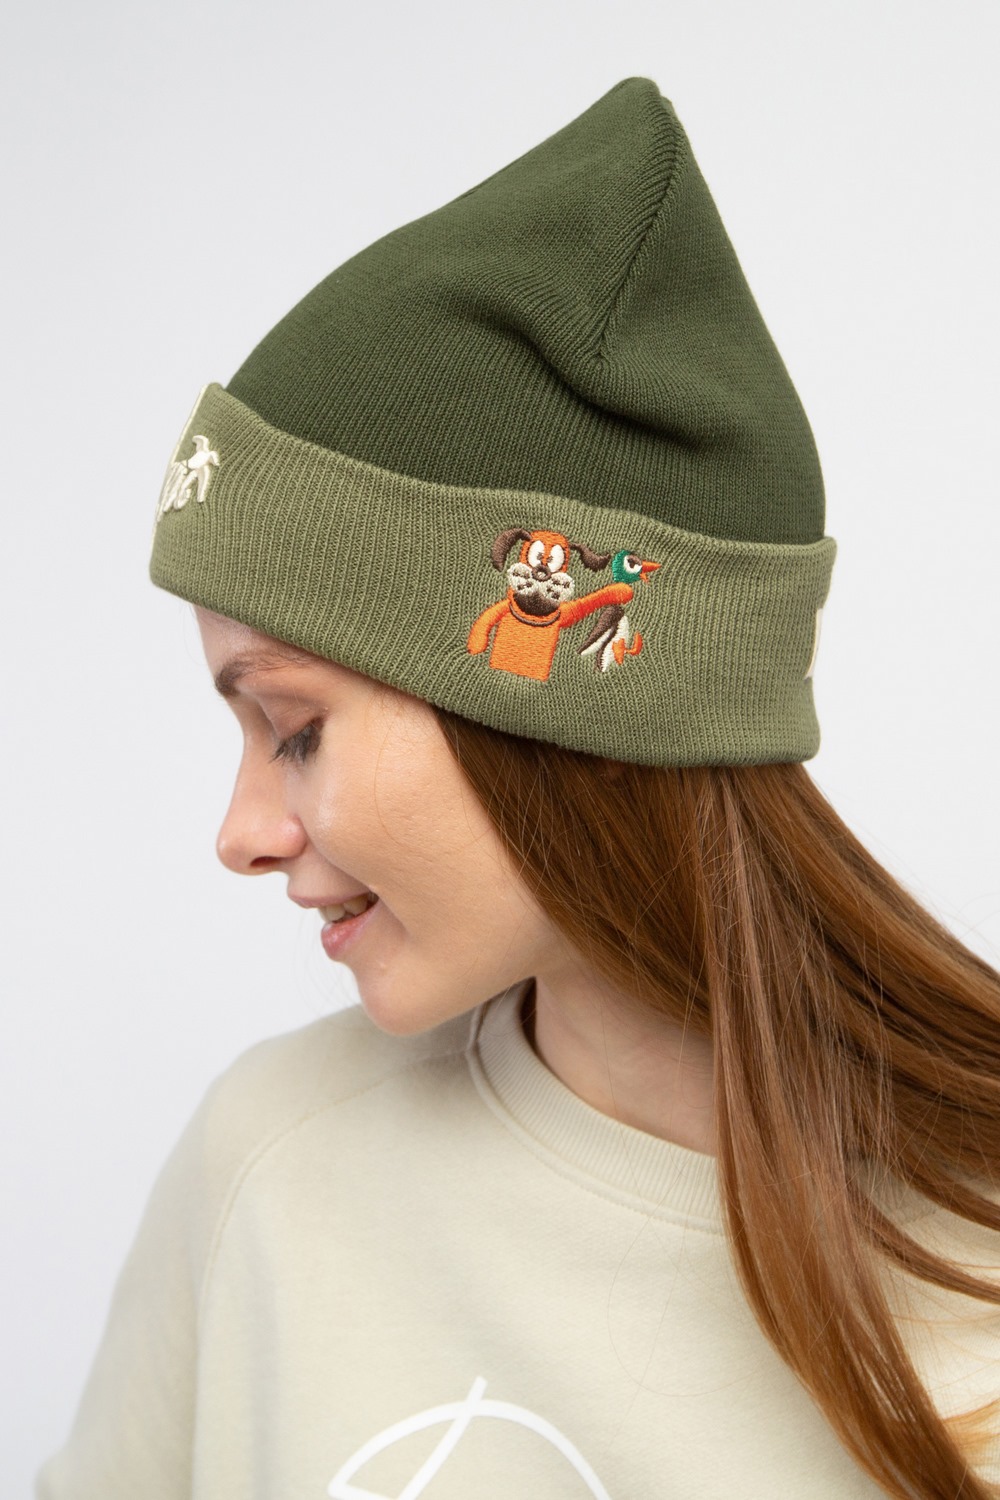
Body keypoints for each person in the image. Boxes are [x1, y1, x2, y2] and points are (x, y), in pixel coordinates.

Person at [37, 76, 1000, 1500]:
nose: (241, 835)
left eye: (293, 728)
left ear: (564, 712)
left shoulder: (975, 1260)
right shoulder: (268, 1170)